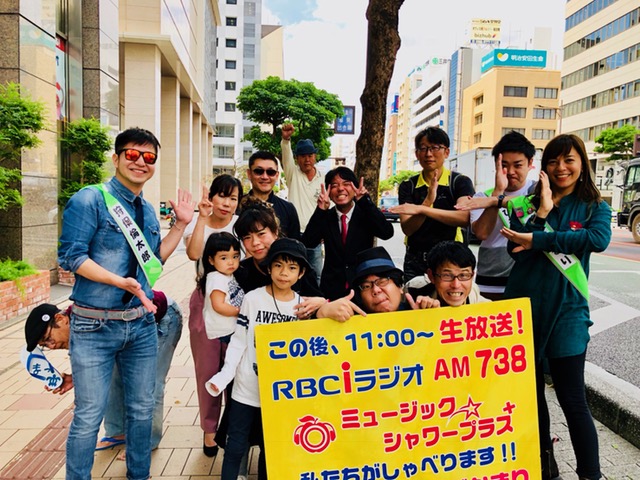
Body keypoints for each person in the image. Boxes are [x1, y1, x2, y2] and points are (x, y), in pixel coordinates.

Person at [58, 127, 194, 480]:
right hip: (94, 325)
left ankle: (139, 475)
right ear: (116, 158)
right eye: (132, 154)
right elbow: (71, 257)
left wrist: (180, 225)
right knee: (89, 414)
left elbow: (153, 262)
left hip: (140, 325)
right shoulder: (90, 200)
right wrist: (117, 281)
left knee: (142, 409)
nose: (140, 162)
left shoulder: (147, 210)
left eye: (149, 157)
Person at [501, 134, 611, 480]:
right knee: (531, 398)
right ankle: (545, 468)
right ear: (544, 167)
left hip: (568, 313)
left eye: (569, 160)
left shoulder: (594, 207)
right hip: (523, 311)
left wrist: (539, 239)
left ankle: (591, 474)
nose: (561, 168)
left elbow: (597, 239)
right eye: (553, 161)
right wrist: (543, 213)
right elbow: (516, 252)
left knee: (573, 400)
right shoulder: (523, 205)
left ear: (582, 164)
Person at [23, 291, 183, 454]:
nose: (52, 346)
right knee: (113, 377)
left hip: (160, 317)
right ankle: (118, 432)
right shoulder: (75, 333)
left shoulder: (93, 318)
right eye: (45, 345)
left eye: (48, 338)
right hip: (127, 331)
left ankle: (145, 443)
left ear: (60, 319)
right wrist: (75, 378)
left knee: (148, 384)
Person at [206, 238, 310, 480]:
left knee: (271, 451)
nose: (284, 273)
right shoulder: (252, 299)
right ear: (269, 268)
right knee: (234, 447)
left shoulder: (302, 308)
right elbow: (239, 341)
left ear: (301, 273)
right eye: (278, 265)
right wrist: (225, 375)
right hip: (245, 389)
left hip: (279, 394)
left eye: (292, 267)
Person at [183, 174, 242, 457]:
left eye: (233, 198)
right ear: (211, 197)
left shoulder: (241, 226)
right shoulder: (200, 222)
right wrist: (202, 218)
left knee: (236, 368)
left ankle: (232, 429)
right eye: (222, 196)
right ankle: (209, 431)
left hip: (236, 301)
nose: (227, 203)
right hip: (204, 300)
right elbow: (193, 253)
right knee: (207, 369)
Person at [455, 131, 537, 300]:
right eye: (504, 165)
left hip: (528, 277)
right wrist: (498, 193)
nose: (510, 171)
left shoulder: (537, 192)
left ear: (530, 163)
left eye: (518, 165)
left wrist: (496, 201)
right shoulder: (482, 197)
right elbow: (482, 233)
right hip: (490, 280)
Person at [390, 126, 475, 282]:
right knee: (414, 297)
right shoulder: (408, 186)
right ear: (417, 154)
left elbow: (464, 218)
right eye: (423, 148)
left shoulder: (459, 182)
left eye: (435, 148)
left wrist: (421, 209)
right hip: (416, 261)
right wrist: (428, 201)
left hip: (451, 260)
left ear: (446, 152)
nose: (429, 154)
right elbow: (408, 228)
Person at [303, 166, 394, 300]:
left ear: (355, 187)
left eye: (346, 184)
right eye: (334, 185)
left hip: (363, 286)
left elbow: (387, 233)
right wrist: (320, 210)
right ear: (328, 191)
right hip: (332, 289)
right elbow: (308, 242)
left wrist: (365, 202)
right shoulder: (325, 216)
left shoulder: (365, 213)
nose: (340, 189)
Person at [280, 123, 324, 278]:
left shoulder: (323, 179)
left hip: (315, 234)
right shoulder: (292, 174)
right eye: (303, 156)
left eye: (310, 155)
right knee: (293, 272)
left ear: (315, 157)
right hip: (294, 233)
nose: (307, 160)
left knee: (316, 274)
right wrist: (286, 140)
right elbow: (286, 156)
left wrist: (325, 231)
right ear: (297, 158)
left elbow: (328, 207)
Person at [406, 241, 489, 307]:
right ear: (431, 276)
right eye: (447, 276)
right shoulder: (413, 291)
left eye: (463, 275)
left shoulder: (476, 299)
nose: (456, 285)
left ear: (472, 275)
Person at [246, 151, 301, 240]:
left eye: (270, 172)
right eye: (259, 171)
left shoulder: (288, 209)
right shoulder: (237, 207)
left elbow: (295, 244)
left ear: (277, 175)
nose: (265, 177)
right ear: (249, 174)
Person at [200, 232, 244, 341]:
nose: (231, 262)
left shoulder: (226, 275)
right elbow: (218, 305)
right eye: (224, 258)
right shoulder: (217, 279)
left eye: (235, 256)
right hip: (226, 329)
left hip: (230, 328)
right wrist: (240, 311)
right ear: (211, 260)